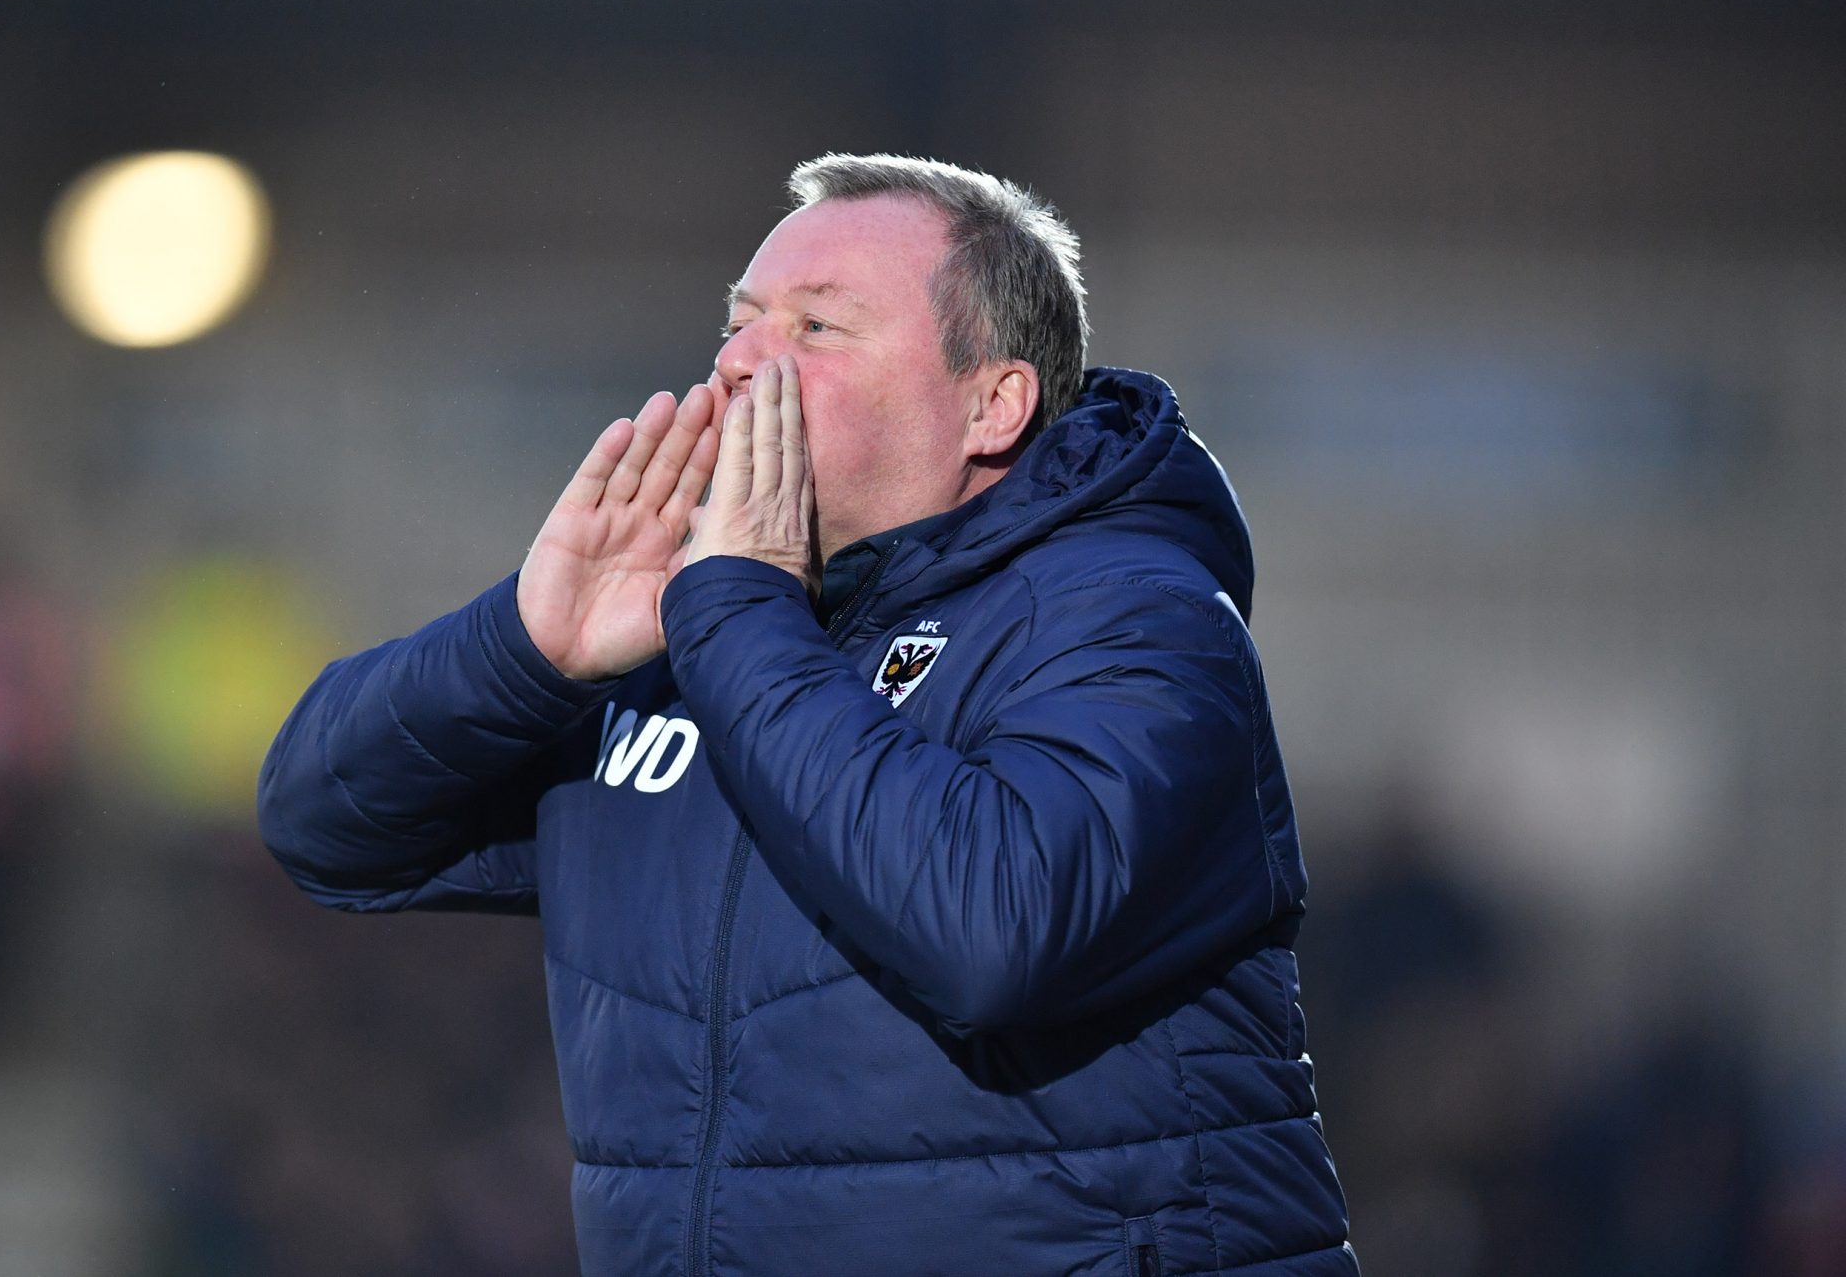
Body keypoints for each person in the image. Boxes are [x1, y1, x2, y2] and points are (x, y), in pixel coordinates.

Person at [258, 153, 1356, 1275]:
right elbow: (327, 829)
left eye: (816, 328)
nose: (740, 362)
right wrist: (525, 648)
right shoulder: (679, 639)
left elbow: (995, 934)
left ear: (992, 404)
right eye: (737, 325)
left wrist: (739, 613)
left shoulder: (1135, 617)